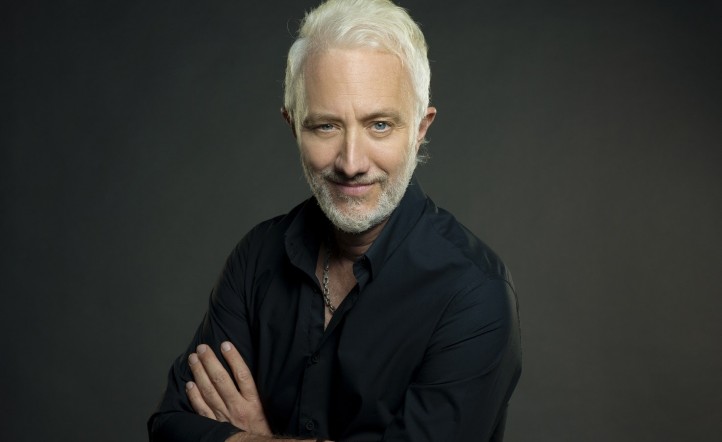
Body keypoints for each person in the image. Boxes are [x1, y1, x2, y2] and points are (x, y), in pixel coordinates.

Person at [148, 0, 521, 440]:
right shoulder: (257, 257)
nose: (351, 162)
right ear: (293, 126)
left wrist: (258, 438)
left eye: (379, 125)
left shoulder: (473, 294)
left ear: (420, 128)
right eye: (325, 126)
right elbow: (171, 427)